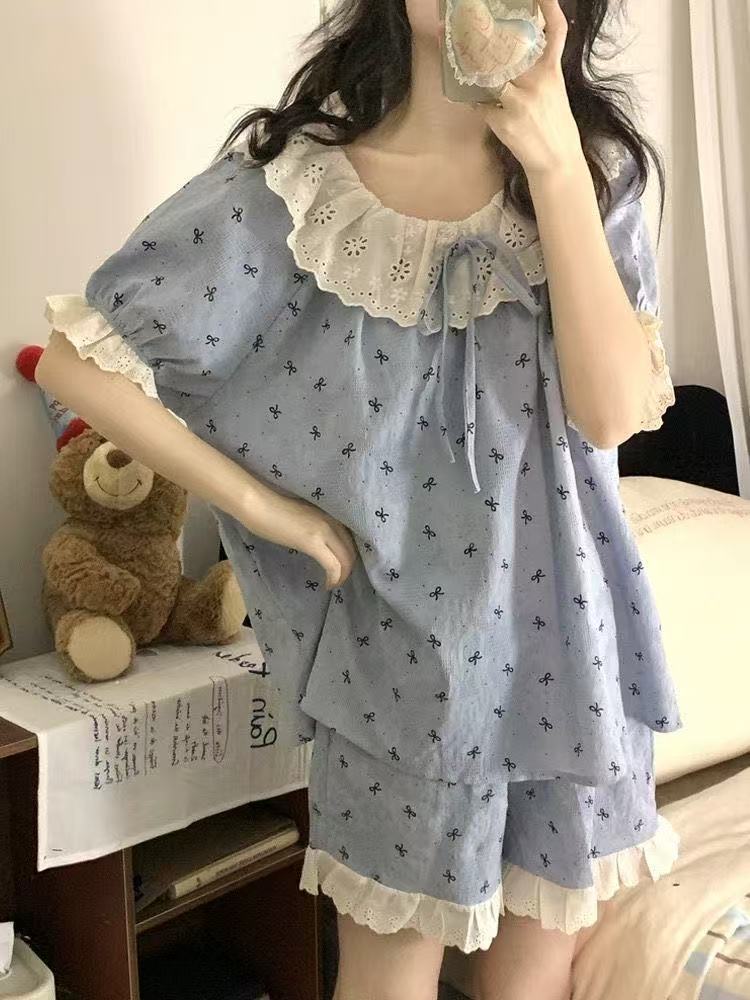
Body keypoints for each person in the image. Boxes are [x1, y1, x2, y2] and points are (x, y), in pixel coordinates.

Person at [36, 0, 682, 997]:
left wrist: (556, 168)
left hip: (570, 654)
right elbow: (77, 362)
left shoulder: (596, 174)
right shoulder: (297, 191)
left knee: (531, 984)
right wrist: (267, 513)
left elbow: (610, 414)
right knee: (385, 983)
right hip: (400, 673)